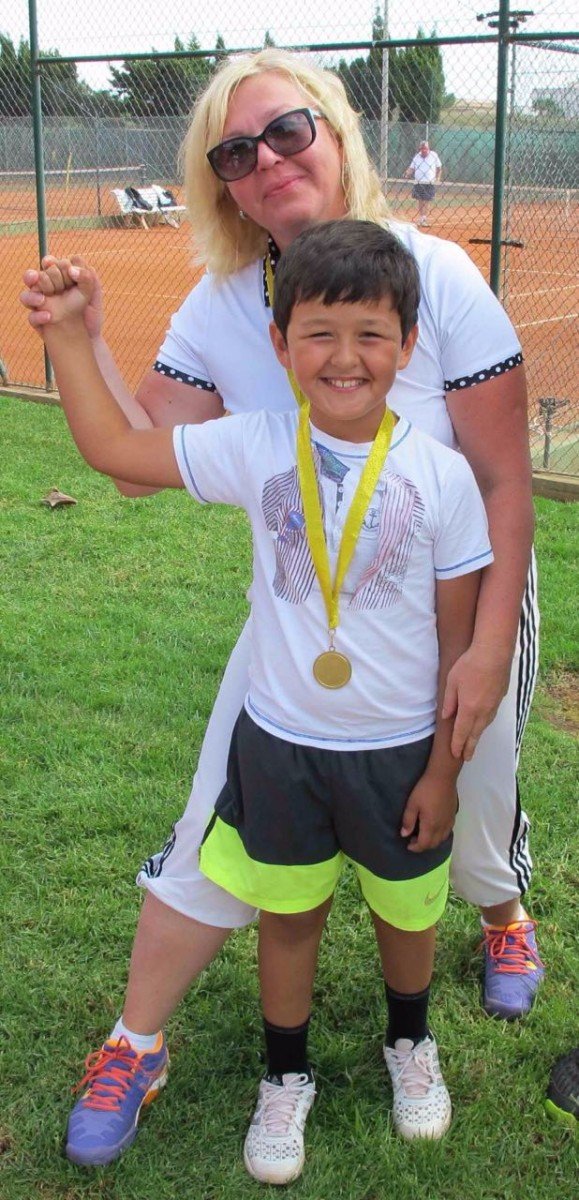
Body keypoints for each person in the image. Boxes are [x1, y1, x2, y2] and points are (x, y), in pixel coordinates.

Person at [21, 48, 542, 1169]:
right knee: (217, 817)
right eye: (234, 151)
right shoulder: (223, 305)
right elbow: (135, 455)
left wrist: (488, 648)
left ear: (337, 134)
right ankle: (136, 1041)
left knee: (469, 807)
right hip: (309, 620)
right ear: (221, 184)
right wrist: (86, 336)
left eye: (287, 131)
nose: (266, 160)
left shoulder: (434, 272)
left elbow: (504, 482)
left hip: (462, 592)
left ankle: (502, 915)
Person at [404, 141, 442, 227]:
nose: (424, 150)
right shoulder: (417, 156)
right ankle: (421, 218)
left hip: (429, 182)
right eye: (422, 149)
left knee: (426, 200)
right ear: (420, 149)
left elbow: (439, 168)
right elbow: (411, 168)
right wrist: (407, 174)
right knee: (420, 200)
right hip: (418, 182)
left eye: (425, 148)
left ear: (428, 148)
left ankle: (424, 218)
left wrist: (438, 178)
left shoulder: (434, 155)